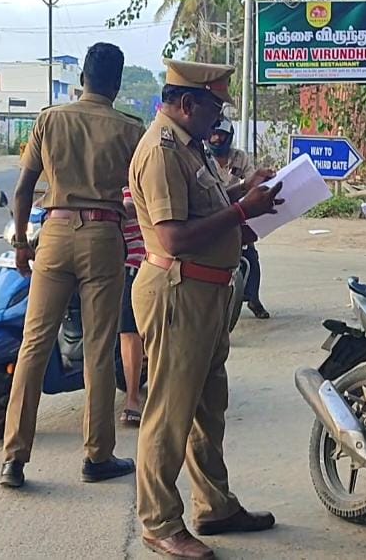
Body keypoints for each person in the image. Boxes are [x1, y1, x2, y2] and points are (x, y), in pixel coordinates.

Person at [130, 59, 282, 560]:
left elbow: (203, 209)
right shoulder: (161, 150)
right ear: (188, 103)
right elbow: (173, 236)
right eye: (215, 106)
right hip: (179, 292)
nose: (220, 117)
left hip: (208, 291)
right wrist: (244, 210)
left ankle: (214, 505)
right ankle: (158, 522)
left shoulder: (189, 144)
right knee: (170, 413)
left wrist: (244, 190)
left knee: (207, 408)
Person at [0, 43, 146, 489]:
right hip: (103, 237)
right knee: (99, 349)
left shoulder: (49, 119)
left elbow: (24, 188)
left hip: (55, 235)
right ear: (117, 84)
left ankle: (14, 459)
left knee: (33, 345)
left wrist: (23, 243)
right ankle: (97, 456)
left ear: (82, 76)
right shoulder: (129, 130)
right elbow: (142, 194)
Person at [207, 118, 269, 319]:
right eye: (213, 134)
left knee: (252, 255)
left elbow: (252, 181)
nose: (216, 139)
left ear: (229, 136)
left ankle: (254, 298)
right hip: (212, 212)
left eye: (221, 135)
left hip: (238, 209)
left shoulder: (240, 158)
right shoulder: (202, 157)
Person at [119, 185, 146, 428]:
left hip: (130, 260)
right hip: (97, 259)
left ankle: (132, 398)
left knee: (128, 330)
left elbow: (131, 206)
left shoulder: (129, 170)